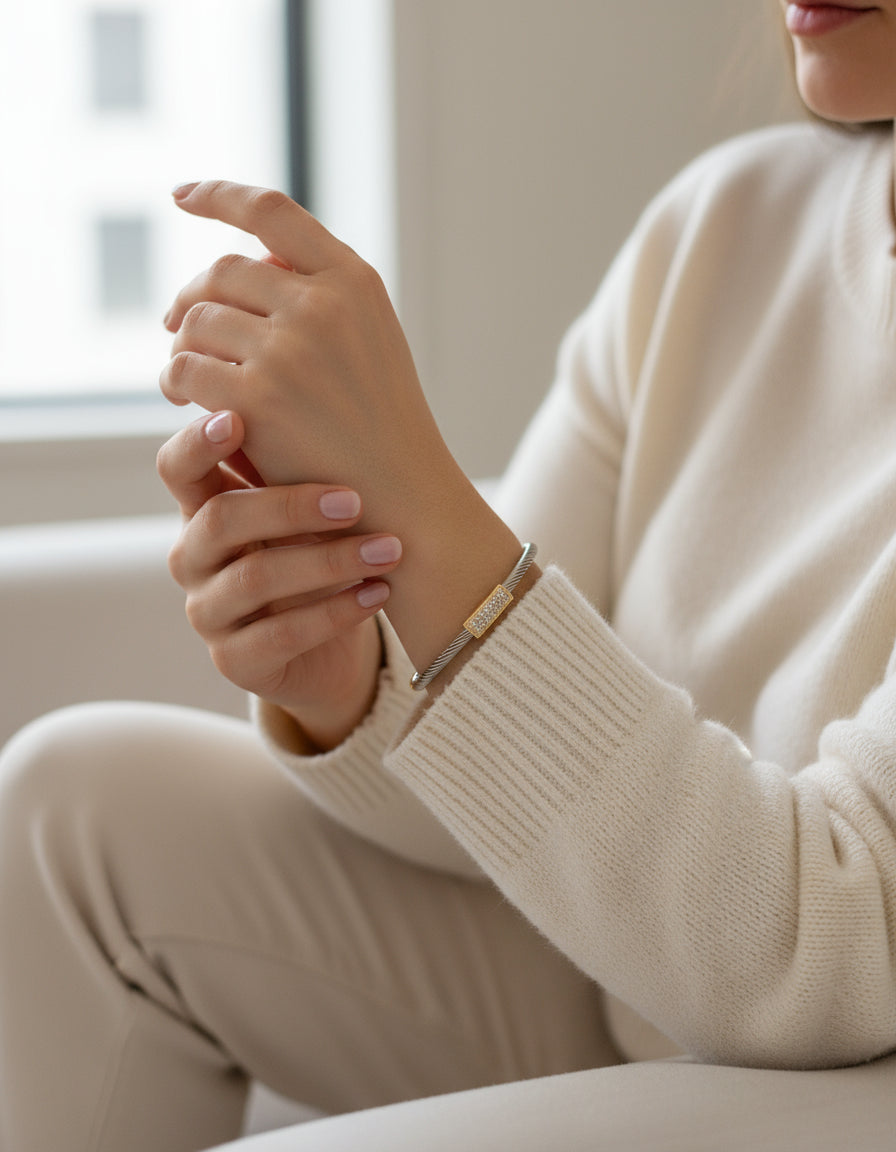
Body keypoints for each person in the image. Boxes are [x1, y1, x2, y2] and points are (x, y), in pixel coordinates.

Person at [3, 2, 896, 1149]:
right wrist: (346, 688)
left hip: (836, 1069)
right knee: (70, 814)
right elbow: (497, 811)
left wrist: (416, 502)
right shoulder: (722, 225)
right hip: (641, 991)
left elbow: (827, 949)